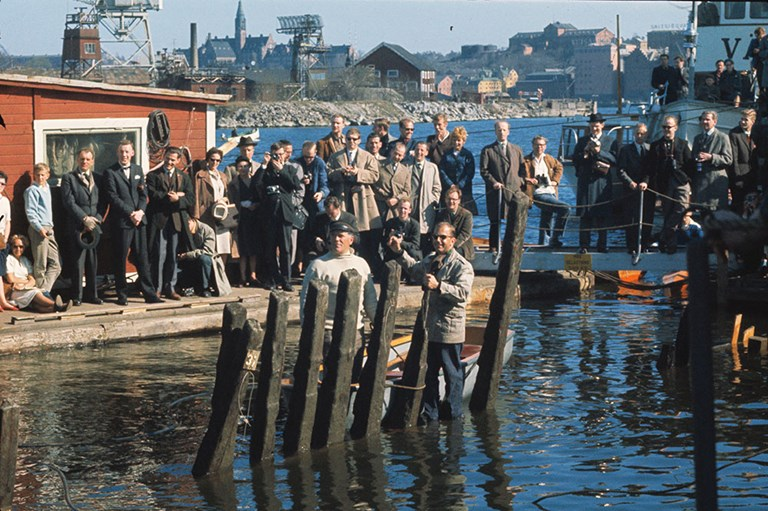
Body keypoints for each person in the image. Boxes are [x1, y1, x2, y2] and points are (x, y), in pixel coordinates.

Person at [388, 221, 474, 423]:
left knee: (453, 375)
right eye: (435, 236)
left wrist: (439, 286)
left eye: (443, 237)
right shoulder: (430, 260)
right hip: (430, 330)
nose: (438, 240)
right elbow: (415, 270)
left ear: (452, 240)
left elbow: (462, 293)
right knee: (429, 375)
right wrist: (399, 252)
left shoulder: (462, 266)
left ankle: (454, 414)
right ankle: (430, 414)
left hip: (449, 331)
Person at [300, 221, 377, 358]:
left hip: (356, 331)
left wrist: (378, 324)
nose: (336, 239)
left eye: (341, 236)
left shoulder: (361, 264)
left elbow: (370, 301)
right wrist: (307, 330)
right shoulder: (317, 265)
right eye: (333, 235)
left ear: (351, 240)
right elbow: (305, 301)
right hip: (327, 332)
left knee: (354, 375)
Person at [102, 140, 163, 305]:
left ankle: (150, 294)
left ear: (132, 153)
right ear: (118, 153)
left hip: (139, 221)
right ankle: (122, 295)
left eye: (127, 152)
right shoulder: (110, 172)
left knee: (142, 258)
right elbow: (113, 198)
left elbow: (143, 194)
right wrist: (130, 213)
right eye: (121, 152)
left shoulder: (137, 169)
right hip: (122, 222)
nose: (124, 155)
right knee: (120, 259)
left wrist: (141, 212)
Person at [327, 127, 383, 279]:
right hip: (344, 199)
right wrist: (341, 172)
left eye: (355, 139)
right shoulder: (336, 156)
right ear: (345, 139)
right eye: (349, 139)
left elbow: (375, 175)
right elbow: (329, 173)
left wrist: (358, 172)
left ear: (359, 140)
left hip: (363, 201)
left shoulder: (367, 156)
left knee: (364, 238)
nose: (352, 142)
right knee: (345, 232)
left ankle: (366, 271)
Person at [146, 146, 194, 300]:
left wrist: (179, 199)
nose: (169, 162)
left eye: (173, 160)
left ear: (178, 161)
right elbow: (153, 195)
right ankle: (157, 288)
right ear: (164, 157)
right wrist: (172, 197)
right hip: (160, 220)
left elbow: (191, 199)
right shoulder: (154, 175)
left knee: (173, 255)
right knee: (159, 255)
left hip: (176, 221)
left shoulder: (183, 177)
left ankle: (170, 287)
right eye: (167, 158)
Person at [61, 147, 105, 306]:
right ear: (77, 160)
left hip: (94, 226)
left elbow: (103, 202)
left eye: (88, 159)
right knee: (78, 263)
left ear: (92, 161)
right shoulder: (69, 178)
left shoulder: (99, 178)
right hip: (78, 226)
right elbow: (68, 202)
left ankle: (92, 295)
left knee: (93, 263)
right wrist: (84, 219)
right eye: (82, 159)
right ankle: (77, 296)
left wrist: (97, 219)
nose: (84, 162)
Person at [648, 115, 694, 254]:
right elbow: (651, 168)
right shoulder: (655, 146)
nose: (666, 130)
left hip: (681, 181)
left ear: (676, 128)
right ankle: (670, 244)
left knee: (682, 209)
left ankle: (663, 235)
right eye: (664, 127)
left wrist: (688, 180)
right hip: (665, 183)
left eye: (669, 127)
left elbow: (690, 164)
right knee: (668, 213)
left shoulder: (683, 144)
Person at [572, 113, 616, 253]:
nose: (594, 129)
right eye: (592, 126)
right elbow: (575, 160)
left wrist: (599, 152)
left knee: (602, 216)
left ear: (602, 125)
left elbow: (614, 159)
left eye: (596, 126)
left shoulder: (610, 140)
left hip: (601, 182)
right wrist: (584, 153)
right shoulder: (582, 141)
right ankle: (584, 246)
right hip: (585, 183)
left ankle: (602, 245)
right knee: (585, 216)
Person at [480, 120, 526, 252]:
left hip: (513, 191)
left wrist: (520, 182)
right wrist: (493, 182)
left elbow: (522, 169)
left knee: (514, 221)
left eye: (504, 130)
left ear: (508, 132)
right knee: (495, 221)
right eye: (499, 130)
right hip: (495, 192)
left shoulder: (517, 149)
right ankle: (493, 247)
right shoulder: (488, 150)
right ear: (495, 132)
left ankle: (514, 246)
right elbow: (484, 171)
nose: (502, 132)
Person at [262, 142, 302, 291]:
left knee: (286, 249)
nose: (278, 157)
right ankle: (273, 278)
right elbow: (258, 184)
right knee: (270, 249)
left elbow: (295, 185)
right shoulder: (266, 171)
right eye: (275, 155)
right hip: (270, 214)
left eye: (280, 154)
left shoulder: (290, 169)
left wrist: (282, 171)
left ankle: (286, 279)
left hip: (285, 213)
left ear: (285, 154)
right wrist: (264, 166)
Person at [4, 234, 72, 313]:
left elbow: (32, 279)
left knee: (37, 303)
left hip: (26, 287)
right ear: (11, 247)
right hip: (15, 290)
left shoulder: (25, 260)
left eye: (21, 247)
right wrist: (27, 281)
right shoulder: (8, 259)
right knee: (35, 293)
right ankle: (58, 305)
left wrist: (26, 284)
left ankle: (56, 308)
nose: (18, 249)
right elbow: (11, 279)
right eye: (15, 246)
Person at [523, 135, 569, 248]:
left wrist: (555, 181)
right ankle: (556, 237)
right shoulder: (526, 161)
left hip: (551, 191)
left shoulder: (548, 158)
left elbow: (559, 167)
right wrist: (529, 180)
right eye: (537, 145)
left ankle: (544, 243)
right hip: (537, 193)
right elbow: (518, 175)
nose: (540, 147)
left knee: (546, 218)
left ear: (545, 146)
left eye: (542, 145)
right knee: (565, 208)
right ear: (533, 145)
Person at [24, 162, 61, 293]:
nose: (40, 177)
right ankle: (42, 296)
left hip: (49, 228)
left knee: (56, 264)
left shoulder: (47, 188)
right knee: (40, 264)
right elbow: (31, 212)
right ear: (34, 176)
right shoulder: (31, 191)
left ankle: (44, 291)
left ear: (48, 175)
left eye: (43, 175)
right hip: (38, 229)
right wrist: (39, 228)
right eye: (38, 175)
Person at [617, 124, 654, 253]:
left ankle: (644, 246)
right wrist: (630, 182)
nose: (640, 136)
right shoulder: (626, 150)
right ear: (634, 134)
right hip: (630, 190)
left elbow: (652, 169)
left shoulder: (650, 150)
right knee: (631, 218)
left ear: (646, 134)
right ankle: (631, 246)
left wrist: (645, 182)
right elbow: (621, 170)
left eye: (642, 133)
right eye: (638, 133)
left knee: (647, 218)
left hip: (647, 190)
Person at [228, 156, 264, 287]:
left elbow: (261, 196)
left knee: (253, 249)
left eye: (245, 166)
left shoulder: (255, 180)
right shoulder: (234, 184)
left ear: (250, 167)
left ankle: (253, 275)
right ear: (237, 168)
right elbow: (231, 201)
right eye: (240, 167)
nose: (243, 169)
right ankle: (242, 277)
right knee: (242, 250)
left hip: (254, 217)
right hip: (241, 218)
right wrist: (242, 205)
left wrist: (256, 205)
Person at [294, 140, 329, 272]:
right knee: (301, 236)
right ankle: (298, 263)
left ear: (315, 154)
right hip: (301, 205)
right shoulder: (297, 162)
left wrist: (321, 193)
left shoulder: (319, 163)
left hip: (315, 204)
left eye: (310, 157)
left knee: (316, 234)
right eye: (305, 157)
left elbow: (325, 183)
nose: (308, 160)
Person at [192, 147, 231, 265]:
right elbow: (196, 195)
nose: (215, 163)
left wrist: (224, 199)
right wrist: (196, 216)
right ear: (207, 160)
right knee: (209, 244)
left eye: (218, 161)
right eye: (212, 160)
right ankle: (209, 276)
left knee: (223, 245)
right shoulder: (200, 175)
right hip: (206, 213)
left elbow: (228, 194)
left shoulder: (223, 176)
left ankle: (221, 274)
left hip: (221, 214)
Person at [691, 110, 733, 211]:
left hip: (716, 184)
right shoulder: (698, 138)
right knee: (703, 215)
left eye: (707, 119)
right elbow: (693, 156)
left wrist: (711, 157)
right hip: (701, 183)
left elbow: (728, 159)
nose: (704, 122)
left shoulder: (722, 137)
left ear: (715, 121)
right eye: (703, 119)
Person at [178, 217, 230, 297]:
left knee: (204, 259)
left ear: (193, 220)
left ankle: (205, 288)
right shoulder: (183, 232)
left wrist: (187, 255)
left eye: (188, 224)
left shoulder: (207, 230)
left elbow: (208, 251)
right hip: (188, 263)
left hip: (204, 262)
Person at [409, 141, 442, 256]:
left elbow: (437, 187)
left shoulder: (432, 167)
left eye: (422, 150)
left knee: (425, 235)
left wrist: (433, 199)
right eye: (417, 150)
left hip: (426, 206)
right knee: (412, 233)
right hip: (412, 206)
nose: (419, 152)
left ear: (427, 152)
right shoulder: (407, 166)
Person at [438, 126, 478, 215]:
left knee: (465, 213)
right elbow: (442, 170)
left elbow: (470, 173)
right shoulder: (446, 154)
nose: (457, 142)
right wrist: (451, 185)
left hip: (465, 190)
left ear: (463, 141)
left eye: (459, 140)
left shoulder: (468, 155)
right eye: (455, 140)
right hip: (448, 189)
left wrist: (459, 185)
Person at [728, 109, 759, 215]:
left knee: (751, 207)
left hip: (753, 177)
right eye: (742, 119)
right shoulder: (734, 134)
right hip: (739, 177)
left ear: (753, 121)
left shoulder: (756, 134)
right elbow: (734, 158)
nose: (742, 122)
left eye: (746, 120)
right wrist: (737, 178)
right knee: (738, 206)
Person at [435, 185, 475, 261]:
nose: (451, 202)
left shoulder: (467, 215)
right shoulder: (441, 214)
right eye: (449, 199)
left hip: (462, 247)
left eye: (454, 199)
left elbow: (465, 234)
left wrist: (451, 247)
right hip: (444, 246)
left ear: (459, 200)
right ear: (445, 200)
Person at [374, 142, 411, 221]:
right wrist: (385, 196)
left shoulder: (405, 170)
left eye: (400, 155)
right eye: (395, 153)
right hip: (380, 204)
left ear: (403, 156)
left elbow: (407, 190)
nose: (397, 157)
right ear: (391, 152)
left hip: (396, 208)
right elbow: (374, 184)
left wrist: (397, 199)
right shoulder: (379, 165)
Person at [381, 197, 421, 262]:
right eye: (401, 208)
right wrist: (389, 237)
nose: (402, 211)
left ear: (409, 210)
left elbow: (416, 246)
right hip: (393, 254)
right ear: (397, 208)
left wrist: (401, 242)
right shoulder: (390, 223)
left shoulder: (415, 225)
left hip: (409, 255)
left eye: (405, 208)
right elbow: (383, 243)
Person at [0, 171, 19, 311]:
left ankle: (3, 301)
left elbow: (8, 221)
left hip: (0, 238)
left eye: (2, 184)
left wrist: (5, 238)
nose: (0, 186)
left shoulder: (5, 201)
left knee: (0, 271)